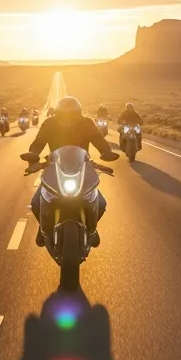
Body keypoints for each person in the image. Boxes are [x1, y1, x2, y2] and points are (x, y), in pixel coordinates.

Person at [23, 96, 118, 248]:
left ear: (78, 113)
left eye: (72, 115)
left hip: (83, 167)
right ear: (58, 114)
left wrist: (106, 151)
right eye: (65, 115)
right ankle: (43, 229)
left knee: (100, 202)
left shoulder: (86, 123)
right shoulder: (49, 123)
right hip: (54, 166)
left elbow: (98, 140)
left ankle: (91, 229)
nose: (69, 119)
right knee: (36, 202)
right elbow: (38, 143)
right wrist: (33, 158)